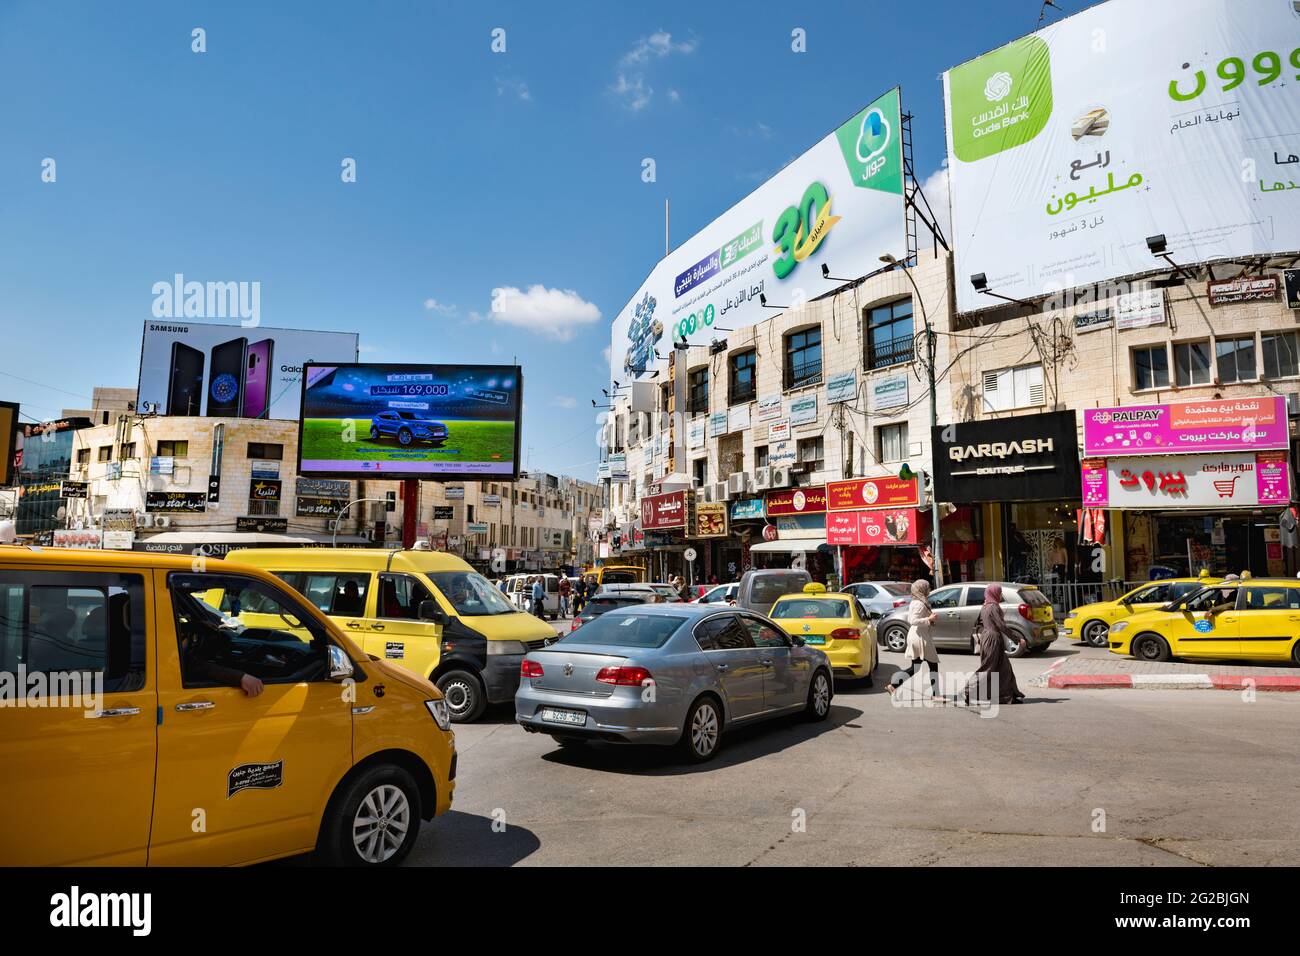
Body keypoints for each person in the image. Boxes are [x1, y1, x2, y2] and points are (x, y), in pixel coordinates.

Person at [966, 583, 1025, 706]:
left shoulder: (986, 606)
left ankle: (1007, 696)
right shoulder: (993, 606)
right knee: (987, 668)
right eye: (999, 592)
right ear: (994, 593)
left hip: (990, 637)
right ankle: (967, 692)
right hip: (993, 638)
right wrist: (1017, 639)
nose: (1001, 594)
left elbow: (980, 622)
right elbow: (1001, 625)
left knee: (1004, 669)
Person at [887, 579, 941, 699]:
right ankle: (936, 695)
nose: (929, 590)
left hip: (917, 635)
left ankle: (893, 685)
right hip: (920, 637)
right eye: (927, 588)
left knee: (915, 668)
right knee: (933, 665)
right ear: (922, 589)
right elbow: (913, 620)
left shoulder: (917, 601)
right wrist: (929, 619)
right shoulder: (919, 603)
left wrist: (929, 619)